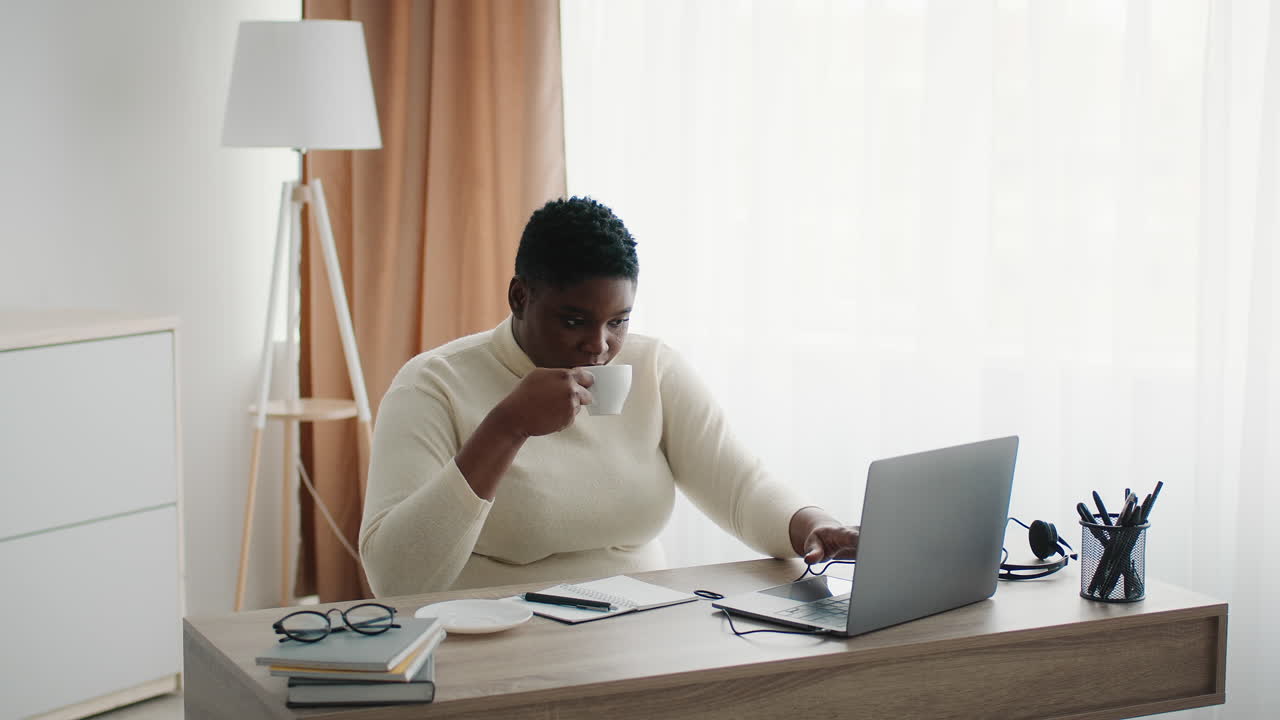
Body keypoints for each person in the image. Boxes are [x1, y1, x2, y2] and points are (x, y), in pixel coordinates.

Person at [359, 196, 858, 597]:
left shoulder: (652, 367)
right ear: (519, 297)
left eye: (618, 321)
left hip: (637, 632)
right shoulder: (433, 385)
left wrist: (814, 526)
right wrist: (507, 427)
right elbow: (396, 579)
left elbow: (740, 487)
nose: (599, 347)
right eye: (574, 321)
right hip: (495, 640)